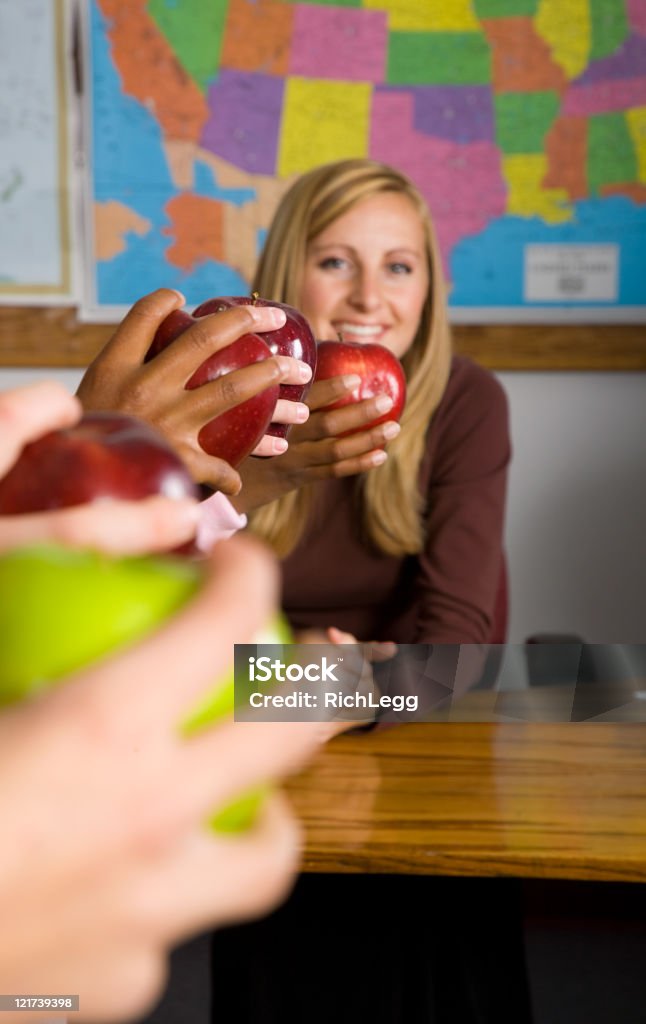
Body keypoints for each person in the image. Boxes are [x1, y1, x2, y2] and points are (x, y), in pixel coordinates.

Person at [0, 381, 331, 1024]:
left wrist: (362, 689)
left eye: (402, 270)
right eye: (334, 268)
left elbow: (468, 664)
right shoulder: (222, 477)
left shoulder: (467, 408)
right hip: (147, 783)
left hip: (232, 739)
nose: (368, 300)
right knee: (50, 1001)